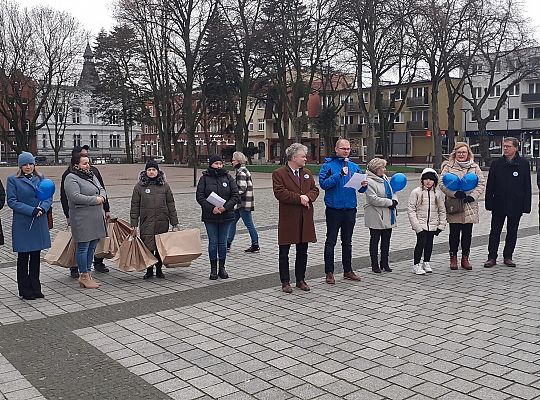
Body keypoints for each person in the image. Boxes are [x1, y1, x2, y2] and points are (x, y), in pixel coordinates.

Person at [272, 143, 319, 293]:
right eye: (303, 156)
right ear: (294, 157)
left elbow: (315, 189)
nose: (306, 158)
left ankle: (301, 279)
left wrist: (307, 197)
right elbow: (280, 193)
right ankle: (285, 282)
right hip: (288, 218)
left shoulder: (307, 172)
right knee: (284, 252)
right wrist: (299, 198)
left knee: (302, 250)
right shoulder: (279, 173)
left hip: (305, 217)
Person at [319, 138, 367, 284]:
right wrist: (339, 174)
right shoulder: (328, 166)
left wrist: (363, 185)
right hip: (334, 209)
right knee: (331, 241)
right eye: (343, 148)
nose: (346, 151)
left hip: (350, 209)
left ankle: (348, 270)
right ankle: (329, 272)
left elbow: (360, 189)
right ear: (336, 149)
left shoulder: (354, 166)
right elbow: (324, 184)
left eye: (348, 149)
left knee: (347, 241)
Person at [7, 152, 52, 300]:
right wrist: (31, 210)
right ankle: (25, 289)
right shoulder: (13, 180)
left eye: (30, 164)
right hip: (24, 223)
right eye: (25, 164)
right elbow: (12, 201)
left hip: (38, 221)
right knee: (23, 257)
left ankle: (35, 287)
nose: (28, 167)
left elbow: (48, 196)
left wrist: (43, 208)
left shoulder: (40, 178)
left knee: (35, 256)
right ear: (20, 166)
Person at [60, 145, 111, 278]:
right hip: (81, 217)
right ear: (76, 164)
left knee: (93, 245)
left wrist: (103, 198)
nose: (88, 166)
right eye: (85, 163)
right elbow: (74, 197)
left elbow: (101, 188)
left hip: (95, 216)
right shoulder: (70, 177)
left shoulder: (91, 175)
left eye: (88, 163)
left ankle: (88, 273)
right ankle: (83, 274)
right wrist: (96, 199)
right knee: (83, 247)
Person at [484, 137, 531, 268]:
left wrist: (526, 206)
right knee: (495, 231)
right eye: (504, 146)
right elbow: (490, 185)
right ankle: (491, 257)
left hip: (516, 203)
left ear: (516, 148)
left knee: (512, 231)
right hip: (499, 203)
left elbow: (527, 185)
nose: (505, 148)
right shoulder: (496, 163)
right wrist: (489, 202)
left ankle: (508, 256)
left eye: (508, 146)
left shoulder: (523, 164)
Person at [130, 160, 180, 279]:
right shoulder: (139, 186)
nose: (151, 172)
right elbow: (134, 205)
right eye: (149, 170)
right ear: (145, 171)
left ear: (158, 171)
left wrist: (174, 223)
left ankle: (159, 269)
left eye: (154, 170)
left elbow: (171, 204)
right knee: (147, 247)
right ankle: (149, 270)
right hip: (146, 222)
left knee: (159, 247)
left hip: (162, 221)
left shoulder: (165, 186)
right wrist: (134, 223)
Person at [440, 142, 486, 270]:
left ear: (468, 153)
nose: (461, 154)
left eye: (464, 152)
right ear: (455, 153)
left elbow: (481, 183)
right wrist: (454, 193)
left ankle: (465, 257)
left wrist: (473, 196)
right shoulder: (448, 166)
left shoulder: (474, 167)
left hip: (469, 204)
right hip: (454, 204)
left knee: (467, 233)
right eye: (459, 152)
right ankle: (453, 257)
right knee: (454, 233)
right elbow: (442, 183)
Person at [196, 154, 240, 280]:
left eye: (220, 164)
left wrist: (225, 207)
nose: (219, 166)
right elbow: (200, 196)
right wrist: (212, 208)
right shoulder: (204, 178)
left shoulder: (228, 177)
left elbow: (235, 195)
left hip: (226, 215)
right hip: (210, 216)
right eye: (216, 164)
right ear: (211, 164)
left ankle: (222, 268)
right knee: (213, 241)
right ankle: (213, 269)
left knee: (222, 242)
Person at [407, 168, 447, 275]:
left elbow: (442, 210)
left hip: (433, 224)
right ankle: (416, 265)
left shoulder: (437, 194)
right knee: (421, 243)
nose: (428, 181)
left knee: (429, 244)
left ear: (435, 181)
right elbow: (411, 210)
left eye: (431, 179)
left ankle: (426, 262)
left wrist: (441, 225)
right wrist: (417, 226)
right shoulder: (416, 192)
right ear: (422, 180)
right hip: (420, 224)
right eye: (426, 179)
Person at [364, 158, 397, 273]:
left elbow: (392, 191)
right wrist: (389, 202)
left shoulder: (385, 178)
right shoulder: (369, 181)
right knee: (375, 240)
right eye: (382, 167)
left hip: (387, 214)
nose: (384, 169)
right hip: (375, 215)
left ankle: (385, 262)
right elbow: (373, 199)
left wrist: (394, 200)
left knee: (386, 240)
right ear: (376, 169)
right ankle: (374, 264)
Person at [227, 151, 260, 253]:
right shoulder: (243, 170)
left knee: (249, 224)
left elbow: (241, 188)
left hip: (243, 202)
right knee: (232, 222)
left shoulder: (241, 172)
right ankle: (227, 243)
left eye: (233, 160)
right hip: (242, 202)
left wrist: (232, 194)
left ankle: (255, 244)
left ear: (238, 161)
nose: (232, 162)